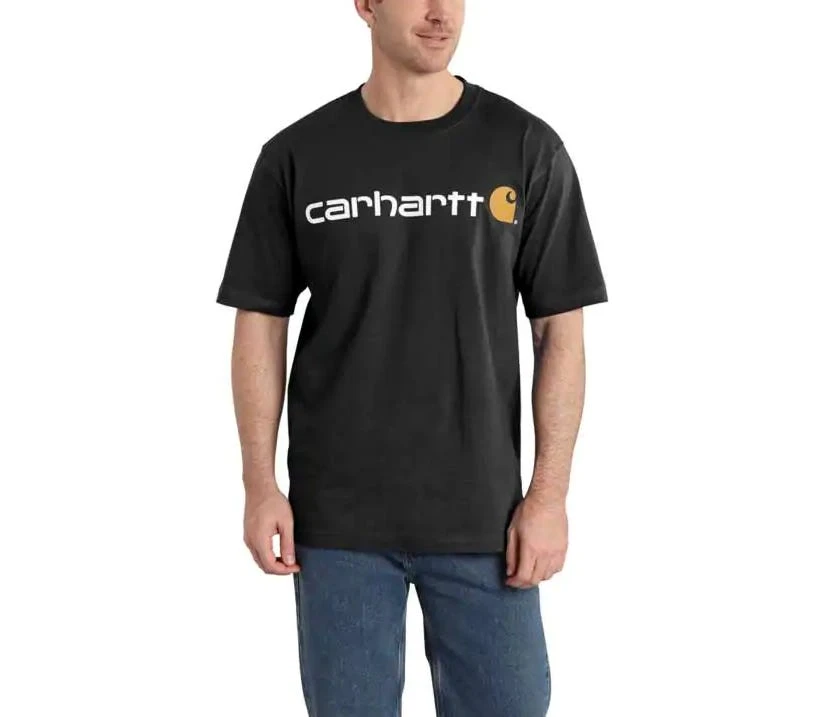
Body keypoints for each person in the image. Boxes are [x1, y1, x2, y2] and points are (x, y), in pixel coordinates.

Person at [216, 1, 607, 714]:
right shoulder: (297, 155)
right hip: (336, 524)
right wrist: (259, 485)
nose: (439, 13)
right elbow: (260, 323)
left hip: (485, 520)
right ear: (365, 4)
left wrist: (548, 496)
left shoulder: (523, 146)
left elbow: (559, 330)